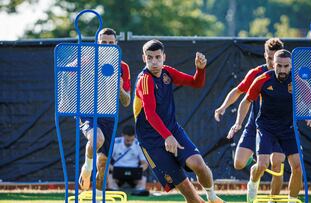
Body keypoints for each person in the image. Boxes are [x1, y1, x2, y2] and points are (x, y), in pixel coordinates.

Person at [133, 39, 224, 203]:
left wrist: (200, 69)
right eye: (150, 58)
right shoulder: (144, 80)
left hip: (172, 130)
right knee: (191, 196)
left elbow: (196, 83)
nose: (154, 62)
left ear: (164, 57)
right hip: (151, 140)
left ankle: (212, 196)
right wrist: (167, 137)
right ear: (143, 58)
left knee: (198, 164)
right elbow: (150, 114)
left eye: (158, 57)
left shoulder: (167, 72)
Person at [227, 49, 311, 203]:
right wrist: (238, 122)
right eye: (279, 66)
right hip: (266, 128)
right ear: (273, 64)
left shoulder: (298, 80)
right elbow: (246, 101)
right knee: (262, 164)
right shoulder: (263, 79)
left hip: (288, 129)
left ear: (291, 66)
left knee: (298, 167)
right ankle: (253, 182)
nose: (282, 70)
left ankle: (292, 200)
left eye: (286, 66)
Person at [214, 38, 285, 197]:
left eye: (276, 59)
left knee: (277, 163)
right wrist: (223, 107)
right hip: (256, 124)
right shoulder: (257, 74)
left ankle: (273, 200)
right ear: (265, 55)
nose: (273, 64)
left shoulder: (288, 76)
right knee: (239, 164)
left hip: (279, 127)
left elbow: (305, 96)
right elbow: (238, 91)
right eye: (269, 58)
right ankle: (254, 177)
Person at [78, 28, 131, 196]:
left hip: (109, 115)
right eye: (103, 43)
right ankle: (86, 168)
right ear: (97, 43)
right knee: (97, 138)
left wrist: (120, 88)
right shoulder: (86, 60)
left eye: (110, 43)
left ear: (116, 44)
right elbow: (66, 73)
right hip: (88, 112)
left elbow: (126, 101)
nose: (107, 46)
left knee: (103, 164)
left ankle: (99, 195)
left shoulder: (123, 67)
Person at [107, 125, 149, 195]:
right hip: (116, 172)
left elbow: (145, 163)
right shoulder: (115, 143)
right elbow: (106, 161)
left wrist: (139, 169)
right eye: (127, 140)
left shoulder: (138, 144)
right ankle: (114, 191)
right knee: (110, 177)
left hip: (134, 173)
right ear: (122, 135)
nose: (130, 142)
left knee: (143, 178)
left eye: (132, 140)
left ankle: (139, 192)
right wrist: (111, 168)